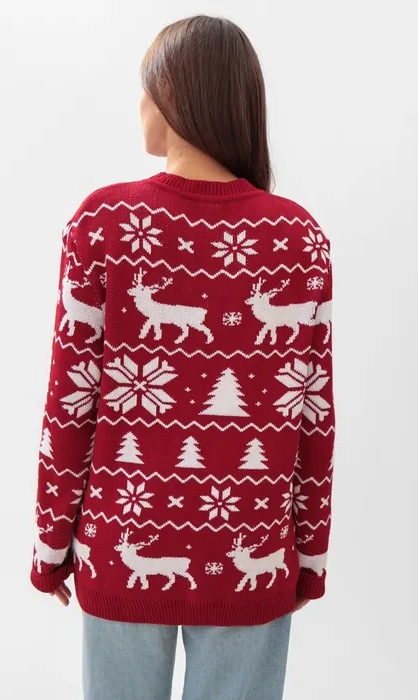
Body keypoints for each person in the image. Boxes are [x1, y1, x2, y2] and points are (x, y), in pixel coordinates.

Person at [29, 14, 335, 700]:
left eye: (145, 87)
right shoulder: (299, 239)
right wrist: (309, 556)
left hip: (120, 540)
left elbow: (69, 402)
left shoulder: (103, 224)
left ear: (172, 92)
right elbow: (314, 417)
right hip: (250, 551)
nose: (138, 103)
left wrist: (52, 543)